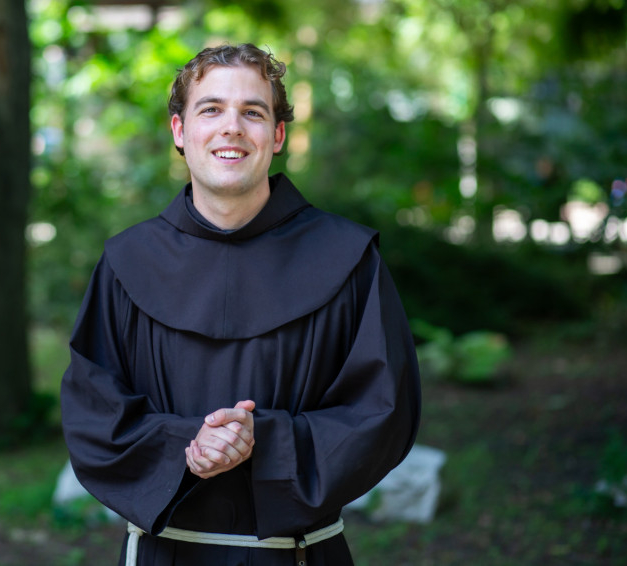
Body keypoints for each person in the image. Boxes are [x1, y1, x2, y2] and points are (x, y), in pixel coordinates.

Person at [61, 43, 421, 566]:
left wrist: (264, 441)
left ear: (277, 136)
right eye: (211, 109)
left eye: (252, 112)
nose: (231, 127)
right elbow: (93, 412)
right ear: (180, 131)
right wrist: (188, 445)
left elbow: (384, 413)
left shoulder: (348, 257)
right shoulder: (126, 261)